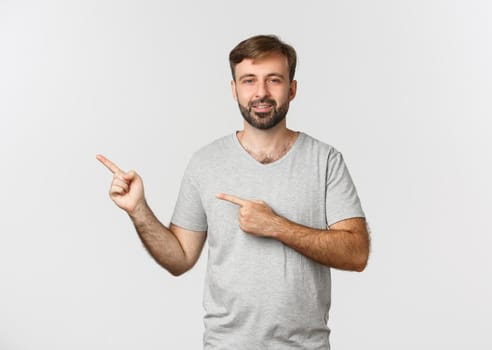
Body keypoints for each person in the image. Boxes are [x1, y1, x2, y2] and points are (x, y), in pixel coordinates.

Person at [97, 34, 370, 349]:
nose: (261, 93)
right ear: (234, 89)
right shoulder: (205, 163)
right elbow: (180, 258)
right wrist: (138, 209)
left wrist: (276, 226)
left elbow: (357, 252)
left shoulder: (325, 160)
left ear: (292, 89)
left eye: (274, 80)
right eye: (249, 81)